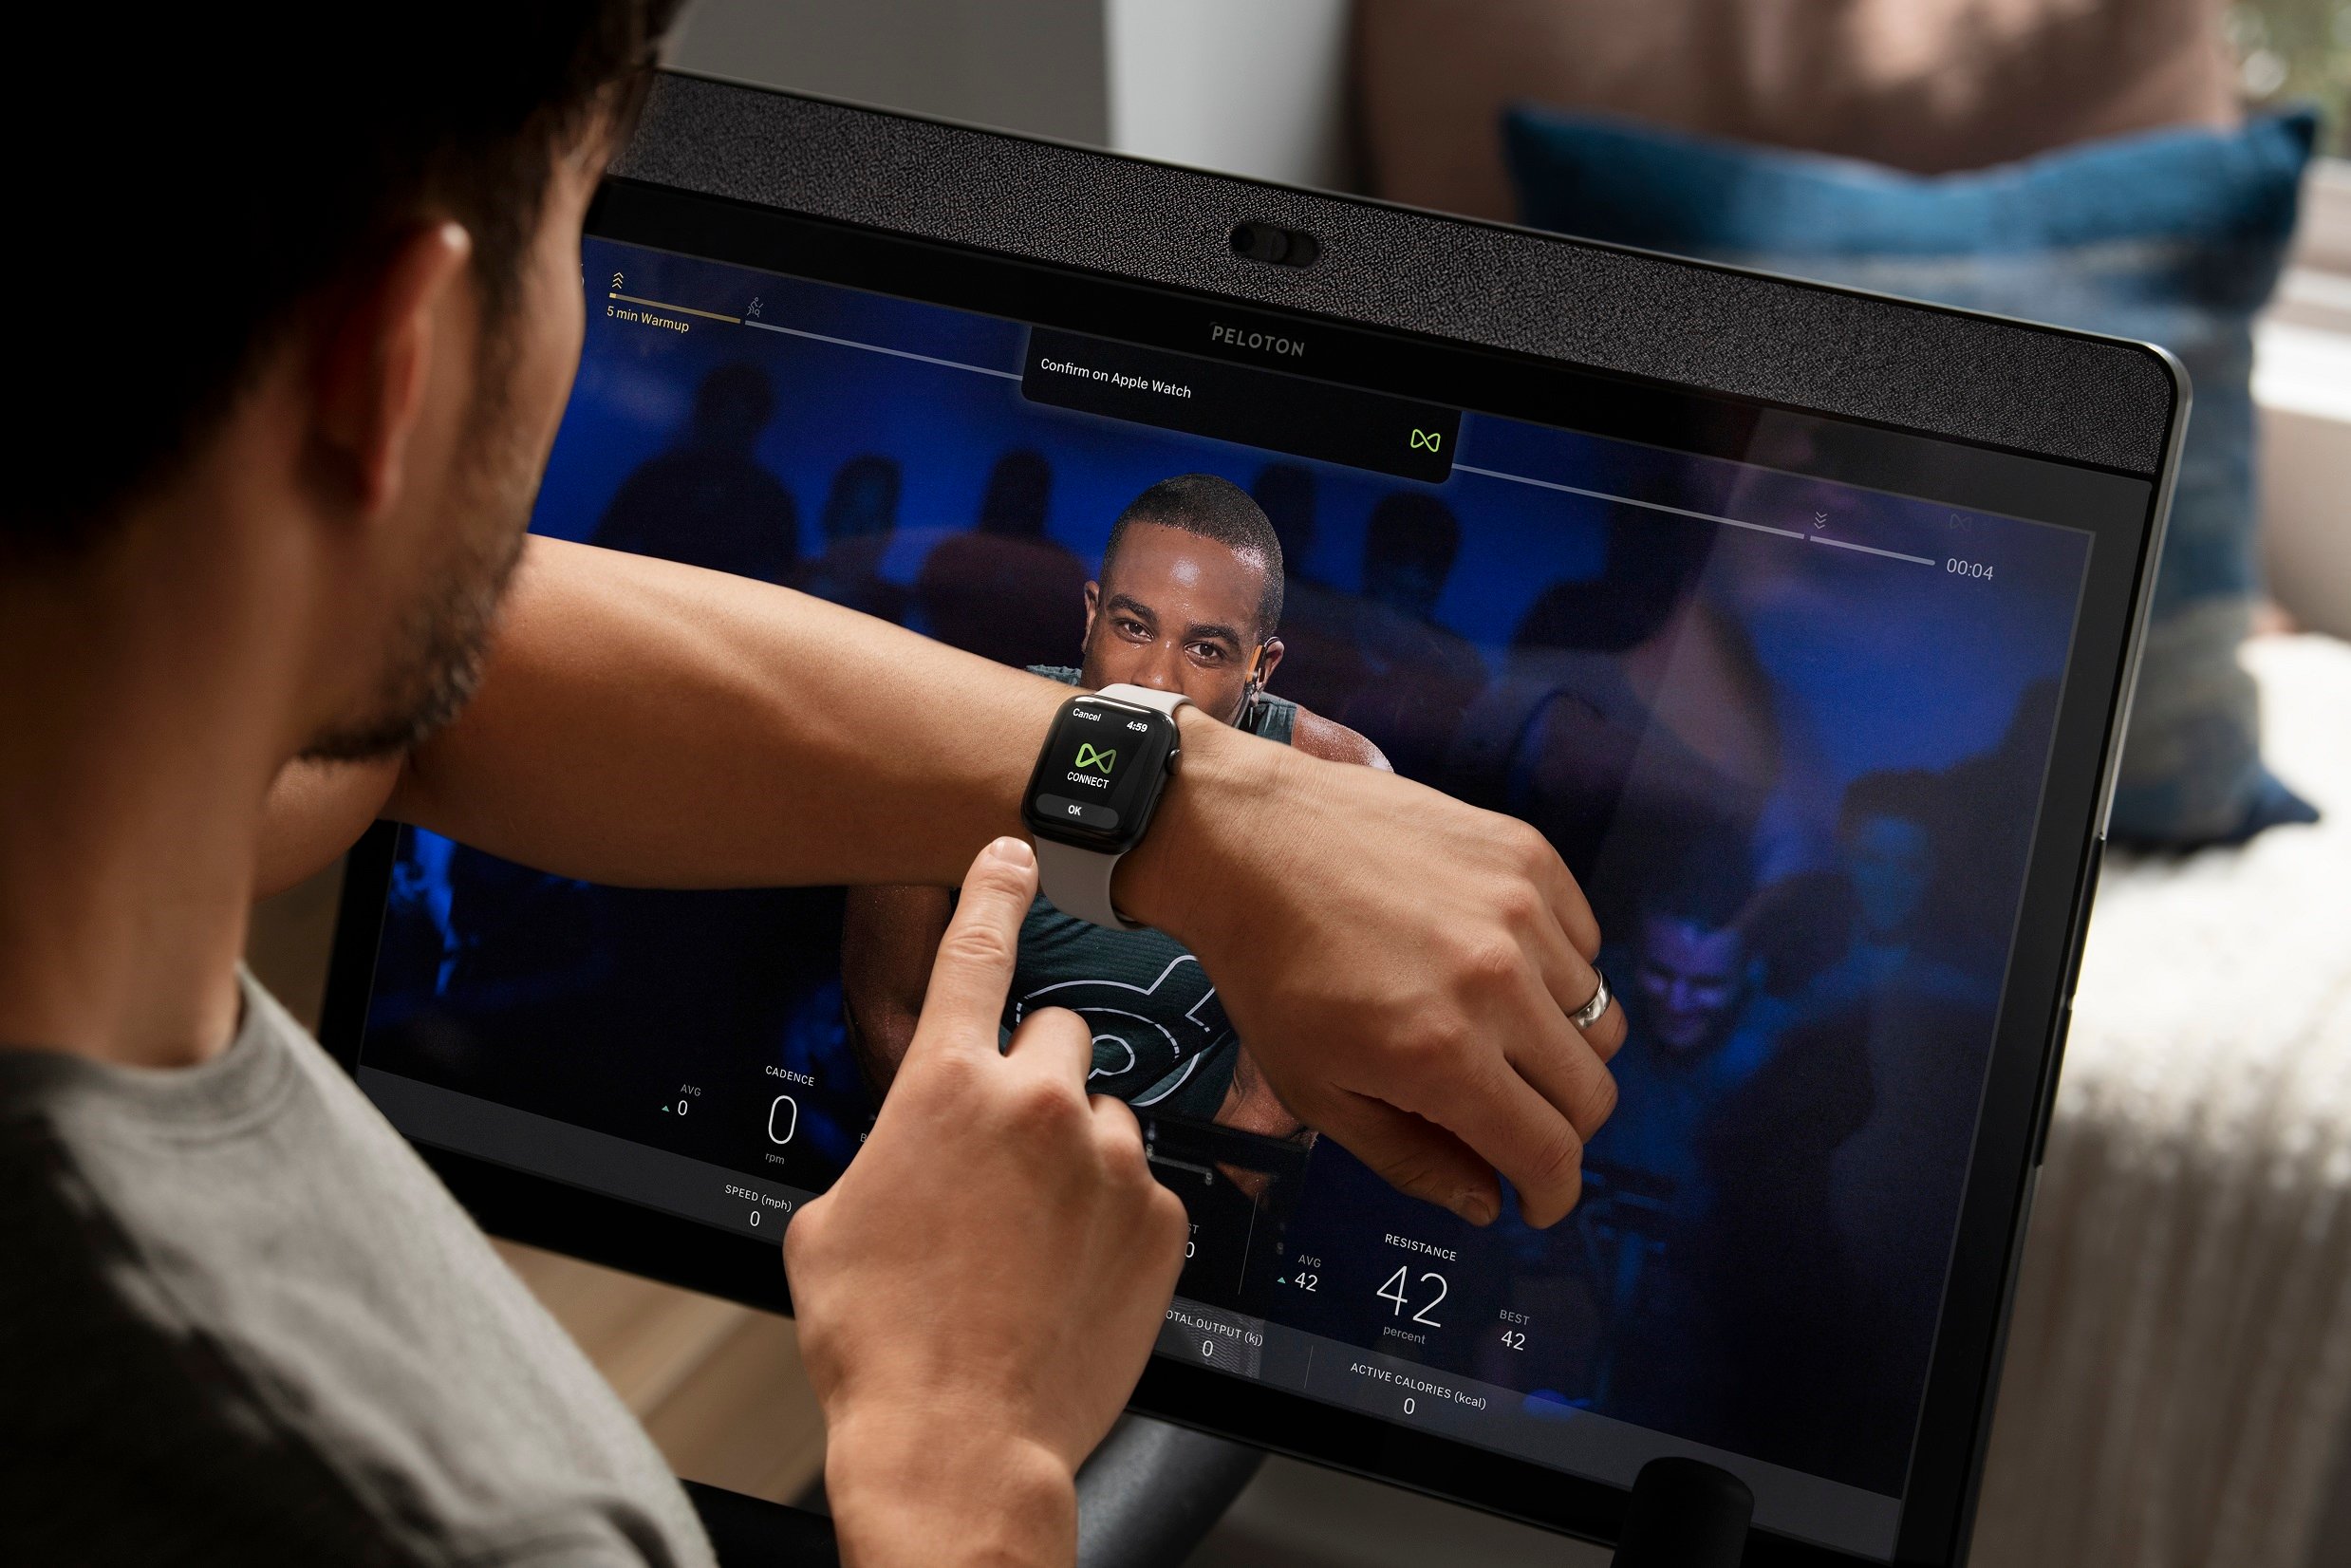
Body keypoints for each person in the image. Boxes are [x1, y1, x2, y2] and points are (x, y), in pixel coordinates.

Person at [3, 9, 1624, 1565]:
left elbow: (445, 686)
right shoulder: (454, 1525)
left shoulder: (124, 726)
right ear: (392, 366)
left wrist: (1173, 797)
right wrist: (956, 1454)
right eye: (572, 238)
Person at [844, 475, 1386, 1139]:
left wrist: (1169, 1225)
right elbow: (889, 1016)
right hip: (970, 1151)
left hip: (1190, 1191)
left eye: (1204, 649)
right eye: (1132, 627)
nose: (1155, 680)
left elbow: (1272, 1107)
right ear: (1090, 616)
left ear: (1260, 667)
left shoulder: (1334, 782)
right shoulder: (954, 742)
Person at [592, 361, 801, 583]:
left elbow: (785, 579)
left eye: (740, 416)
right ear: (704, 412)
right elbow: (603, 548)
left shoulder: (771, 500)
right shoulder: (657, 477)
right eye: (721, 411)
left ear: (757, 423)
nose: (727, 426)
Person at [915, 447, 1091, 668]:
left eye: (1026, 492)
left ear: (1040, 500)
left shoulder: (1064, 570)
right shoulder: (952, 554)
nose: (1015, 500)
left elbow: (1070, 646)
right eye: (1009, 488)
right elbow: (927, 624)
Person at [796, 453, 911, 622]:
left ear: (890, 530)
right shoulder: (781, 590)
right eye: (850, 510)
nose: (861, 530)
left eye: (876, 517)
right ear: (829, 515)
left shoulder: (905, 611)